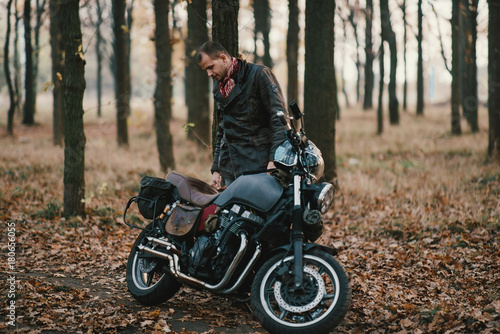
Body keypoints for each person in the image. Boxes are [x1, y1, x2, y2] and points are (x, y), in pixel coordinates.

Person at [196, 41, 289, 188]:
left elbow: (280, 120)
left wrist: (274, 161)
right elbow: (222, 130)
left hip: (259, 167)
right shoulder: (219, 87)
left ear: (223, 58)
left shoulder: (259, 75)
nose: (209, 74)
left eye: (210, 67)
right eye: (205, 70)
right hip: (230, 170)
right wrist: (217, 170)